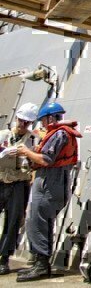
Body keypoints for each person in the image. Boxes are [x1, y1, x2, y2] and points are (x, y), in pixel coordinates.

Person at [16, 101, 79, 282]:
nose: (43, 124)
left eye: (43, 120)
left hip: (49, 184)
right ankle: (40, 263)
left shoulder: (59, 133)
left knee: (38, 223)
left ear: (50, 118)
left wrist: (26, 152)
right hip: (53, 183)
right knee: (39, 223)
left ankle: (42, 266)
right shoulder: (62, 133)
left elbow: (45, 159)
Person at [0, 104, 37, 275]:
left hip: (19, 183)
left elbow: (37, 161)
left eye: (26, 122)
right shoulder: (3, 135)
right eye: (21, 120)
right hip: (1, 180)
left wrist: (27, 155)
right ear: (16, 118)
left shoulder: (33, 139)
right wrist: (4, 153)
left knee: (13, 222)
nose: (22, 124)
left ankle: (4, 258)